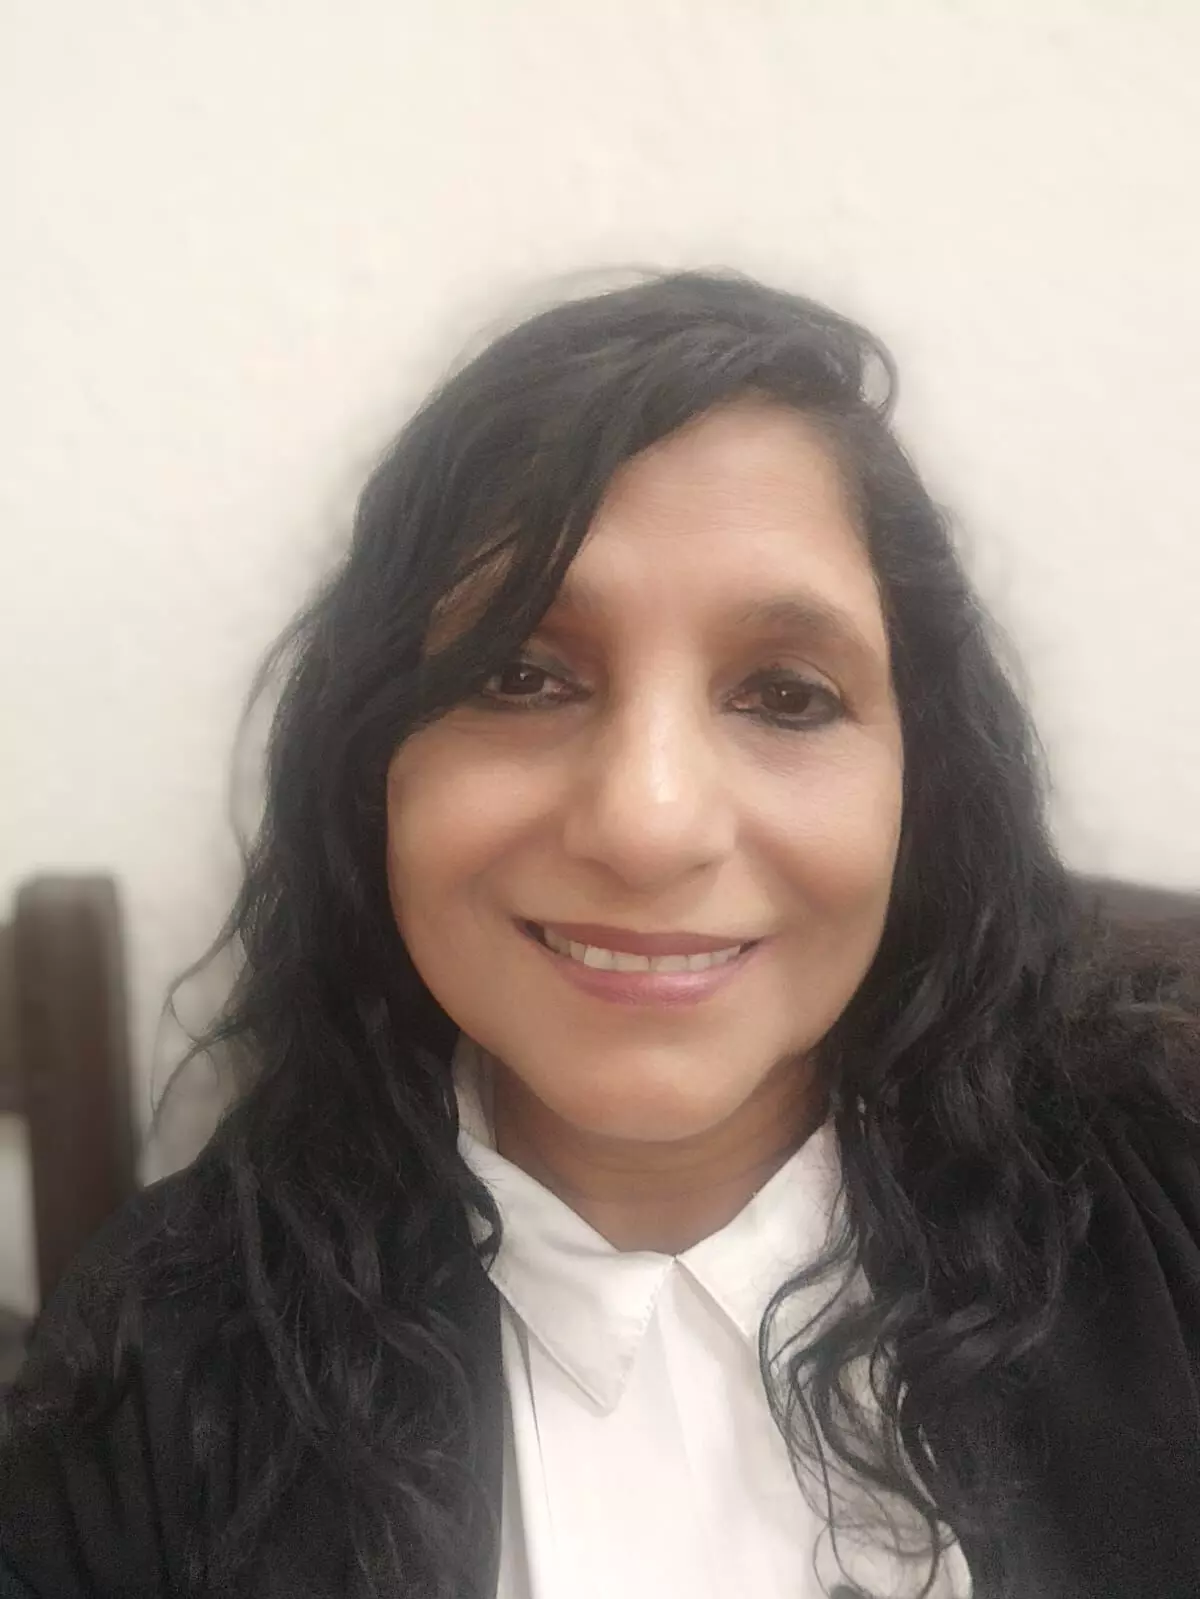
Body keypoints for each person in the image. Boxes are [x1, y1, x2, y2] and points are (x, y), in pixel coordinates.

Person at [1, 272, 1198, 1599]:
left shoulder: (1167, 1218)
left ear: (924, 786)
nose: (647, 824)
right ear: (371, 768)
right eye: (521, 674)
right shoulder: (154, 1382)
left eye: (785, 695)